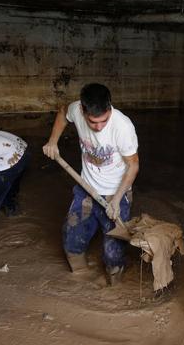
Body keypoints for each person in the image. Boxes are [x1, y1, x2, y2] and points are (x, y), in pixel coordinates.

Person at [42, 83, 139, 285]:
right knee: (72, 238)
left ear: (109, 108)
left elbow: (133, 166)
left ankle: (115, 286)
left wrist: (117, 199)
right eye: (93, 122)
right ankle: (80, 280)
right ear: (83, 111)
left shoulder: (123, 127)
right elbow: (62, 113)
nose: (99, 127)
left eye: (104, 120)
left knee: (113, 251)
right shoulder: (76, 109)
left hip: (116, 193)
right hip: (86, 188)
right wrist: (53, 141)